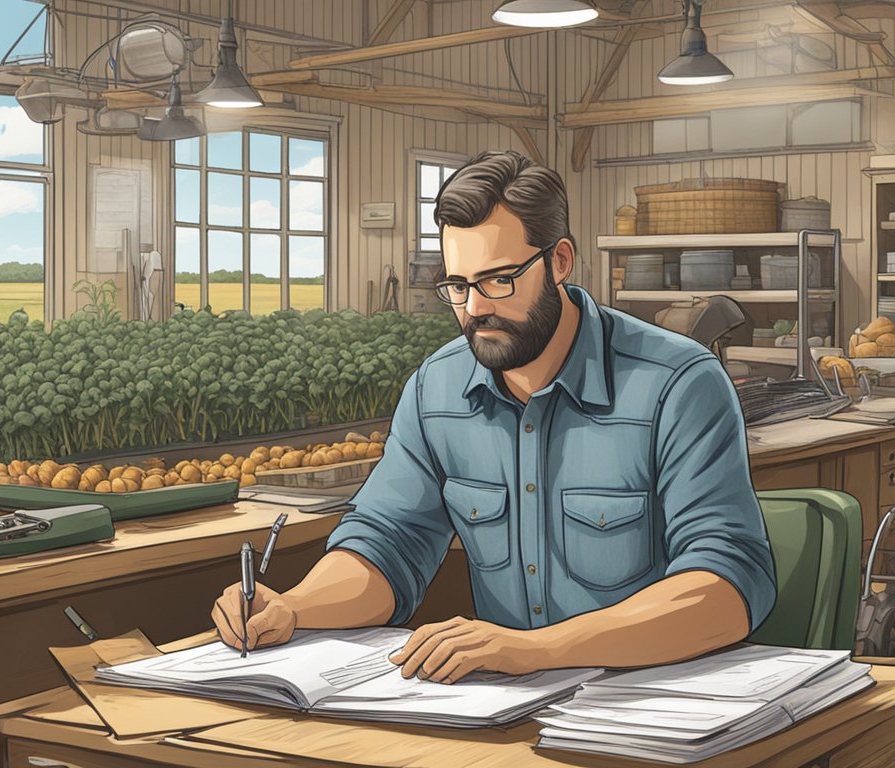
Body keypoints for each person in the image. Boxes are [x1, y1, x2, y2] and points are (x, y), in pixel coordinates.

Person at [212, 149, 776, 684]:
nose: (476, 307)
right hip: (506, 708)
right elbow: (386, 544)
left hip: (652, 709)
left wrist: (539, 650)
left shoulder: (678, 385)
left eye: (498, 280)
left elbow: (727, 585)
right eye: (457, 286)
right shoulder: (438, 389)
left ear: (559, 261)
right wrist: (293, 608)